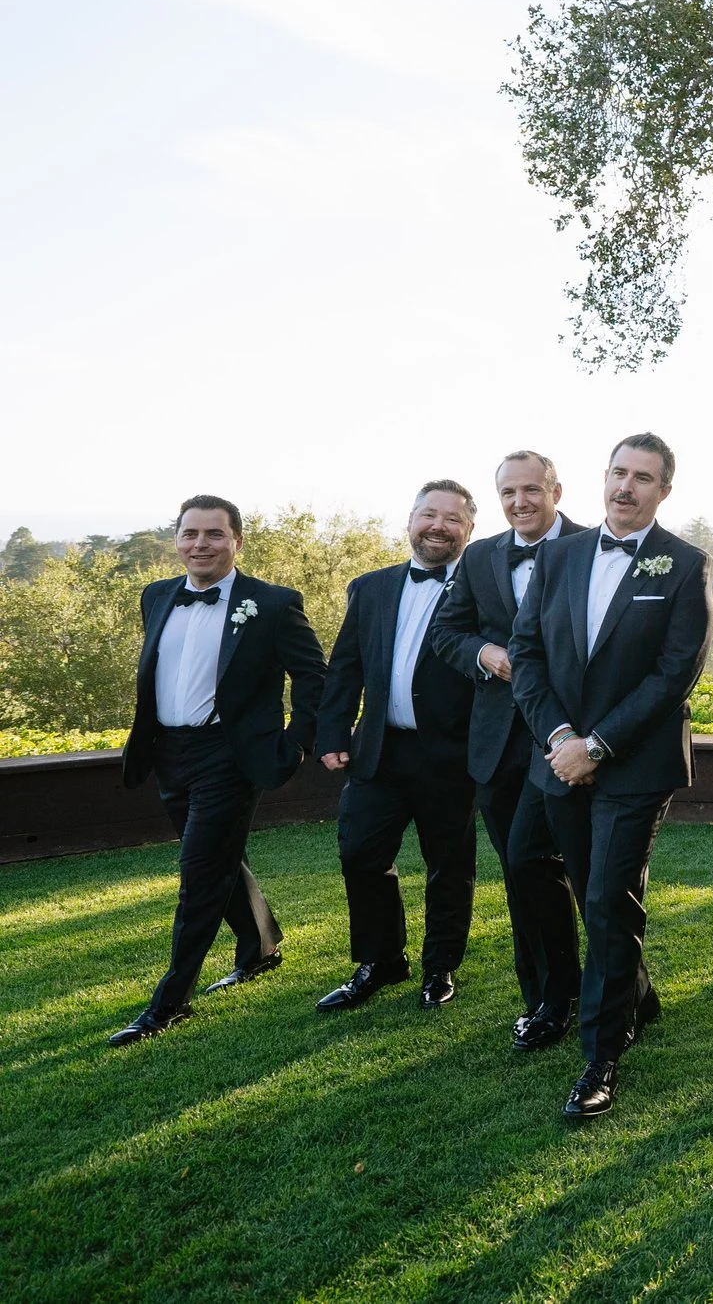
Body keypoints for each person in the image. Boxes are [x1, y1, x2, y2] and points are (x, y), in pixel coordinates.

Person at [509, 433, 713, 1121]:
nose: (627, 487)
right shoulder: (559, 554)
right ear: (603, 478)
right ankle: (636, 995)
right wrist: (561, 737)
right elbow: (526, 650)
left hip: (635, 764)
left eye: (644, 478)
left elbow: (674, 673)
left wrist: (598, 745)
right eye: (619, 473)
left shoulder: (685, 563)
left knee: (606, 898)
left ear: (664, 490)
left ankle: (601, 1053)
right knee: (587, 889)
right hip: (560, 759)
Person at [107, 495, 328, 1046]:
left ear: (236, 541)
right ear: (177, 540)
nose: (200, 544)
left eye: (213, 534)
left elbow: (313, 677)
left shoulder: (273, 604)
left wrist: (295, 740)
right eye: (190, 534)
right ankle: (260, 946)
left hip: (229, 757)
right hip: (169, 754)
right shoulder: (156, 596)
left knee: (200, 873)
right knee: (219, 857)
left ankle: (169, 1002)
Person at [428, 450, 586, 1050]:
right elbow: (445, 630)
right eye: (508, 494)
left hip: (569, 739)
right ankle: (547, 997)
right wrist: (484, 655)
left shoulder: (592, 548)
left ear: (556, 491)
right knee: (523, 876)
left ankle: (624, 993)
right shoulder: (480, 557)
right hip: (498, 745)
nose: (519, 503)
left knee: (594, 876)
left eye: (531, 490)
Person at [313, 481, 478, 1013]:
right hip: (379, 750)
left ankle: (440, 967)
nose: (438, 526)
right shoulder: (371, 587)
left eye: (452, 519)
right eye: (429, 515)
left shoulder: (484, 589)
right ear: (410, 521)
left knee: (448, 864)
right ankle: (382, 961)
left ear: (469, 530)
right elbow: (346, 666)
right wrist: (333, 731)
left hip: (451, 754)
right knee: (360, 852)